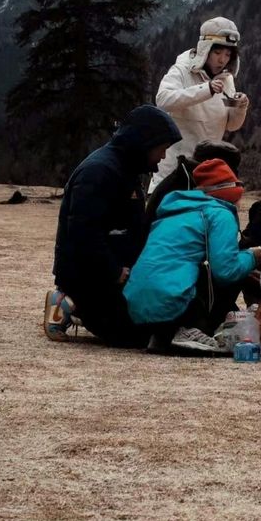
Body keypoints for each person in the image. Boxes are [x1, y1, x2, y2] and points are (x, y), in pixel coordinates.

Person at [44, 104, 182, 346]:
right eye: (162, 148)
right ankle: (68, 302)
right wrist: (114, 271)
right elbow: (83, 234)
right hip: (92, 281)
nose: (163, 156)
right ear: (145, 141)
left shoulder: (125, 169)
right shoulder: (99, 172)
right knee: (141, 336)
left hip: (117, 276)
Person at [123, 159, 261, 353]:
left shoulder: (172, 213)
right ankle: (191, 327)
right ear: (232, 194)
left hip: (137, 305)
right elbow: (225, 270)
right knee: (230, 270)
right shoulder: (219, 214)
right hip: (176, 304)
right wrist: (251, 257)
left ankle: (164, 335)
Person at [149, 16, 249, 192]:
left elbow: (231, 125)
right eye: (217, 53)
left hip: (207, 174)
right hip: (174, 172)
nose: (222, 60)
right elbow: (163, 100)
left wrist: (240, 107)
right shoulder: (181, 69)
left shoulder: (227, 79)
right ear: (205, 49)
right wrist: (206, 90)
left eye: (227, 55)